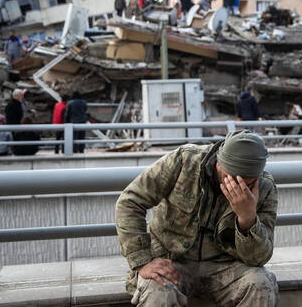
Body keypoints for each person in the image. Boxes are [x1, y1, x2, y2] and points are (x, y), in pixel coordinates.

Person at [115, 130, 278, 306]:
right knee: (158, 292)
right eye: (230, 178)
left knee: (261, 285)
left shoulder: (264, 187)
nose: (238, 187)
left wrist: (247, 219)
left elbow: (258, 259)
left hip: (225, 266)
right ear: (218, 163)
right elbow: (129, 202)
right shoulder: (185, 161)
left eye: (247, 184)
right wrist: (143, 261)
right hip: (172, 260)